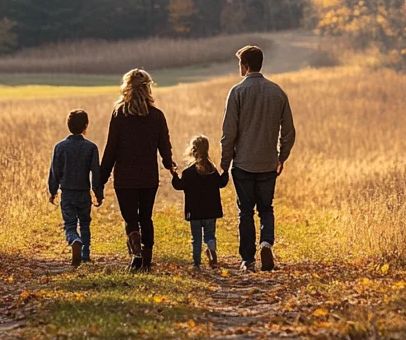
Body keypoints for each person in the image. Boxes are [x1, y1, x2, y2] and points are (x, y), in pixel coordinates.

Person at [220, 45, 295, 273]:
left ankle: (248, 260)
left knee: (245, 212)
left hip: (243, 163)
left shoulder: (237, 92)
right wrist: (281, 157)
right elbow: (289, 131)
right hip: (268, 162)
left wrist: (224, 163)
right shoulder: (277, 92)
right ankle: (266, 243)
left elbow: (228, 132)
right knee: (266, 208)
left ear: (244, 66)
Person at [99, 69, 177, 272]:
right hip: (148, 177)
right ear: (148, 88)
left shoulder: (119, 113)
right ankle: (147, 259)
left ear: (127, 88)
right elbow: (164, 145)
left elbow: (111, 148)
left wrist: (101, 176)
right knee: (146, 217)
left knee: (131, 219)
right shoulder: (157, 116)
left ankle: (135, 252)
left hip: (124, 178)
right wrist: (170, 165)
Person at [47, 109, 103, 268]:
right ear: (86, 126)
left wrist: (52, 191)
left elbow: (55, 172)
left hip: (67, 193)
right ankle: (85, 255)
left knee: (70, 224)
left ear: (68, 125)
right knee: (85, 223)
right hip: (84, 193)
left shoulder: (60, 147)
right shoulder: (91, 147)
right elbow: (96, 173)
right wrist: (98, 194)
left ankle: (74, 240)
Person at [170, 134, 229, 269]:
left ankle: (197, 263)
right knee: (209, 235)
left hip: (194, 213)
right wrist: (225, 171)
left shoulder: (188, 173)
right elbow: (222, 183)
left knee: (196, 239)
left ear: (193, 150)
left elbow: (178, 185)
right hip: (211, 212)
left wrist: (173, 174)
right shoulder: (212, 171)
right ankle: (211, 247)